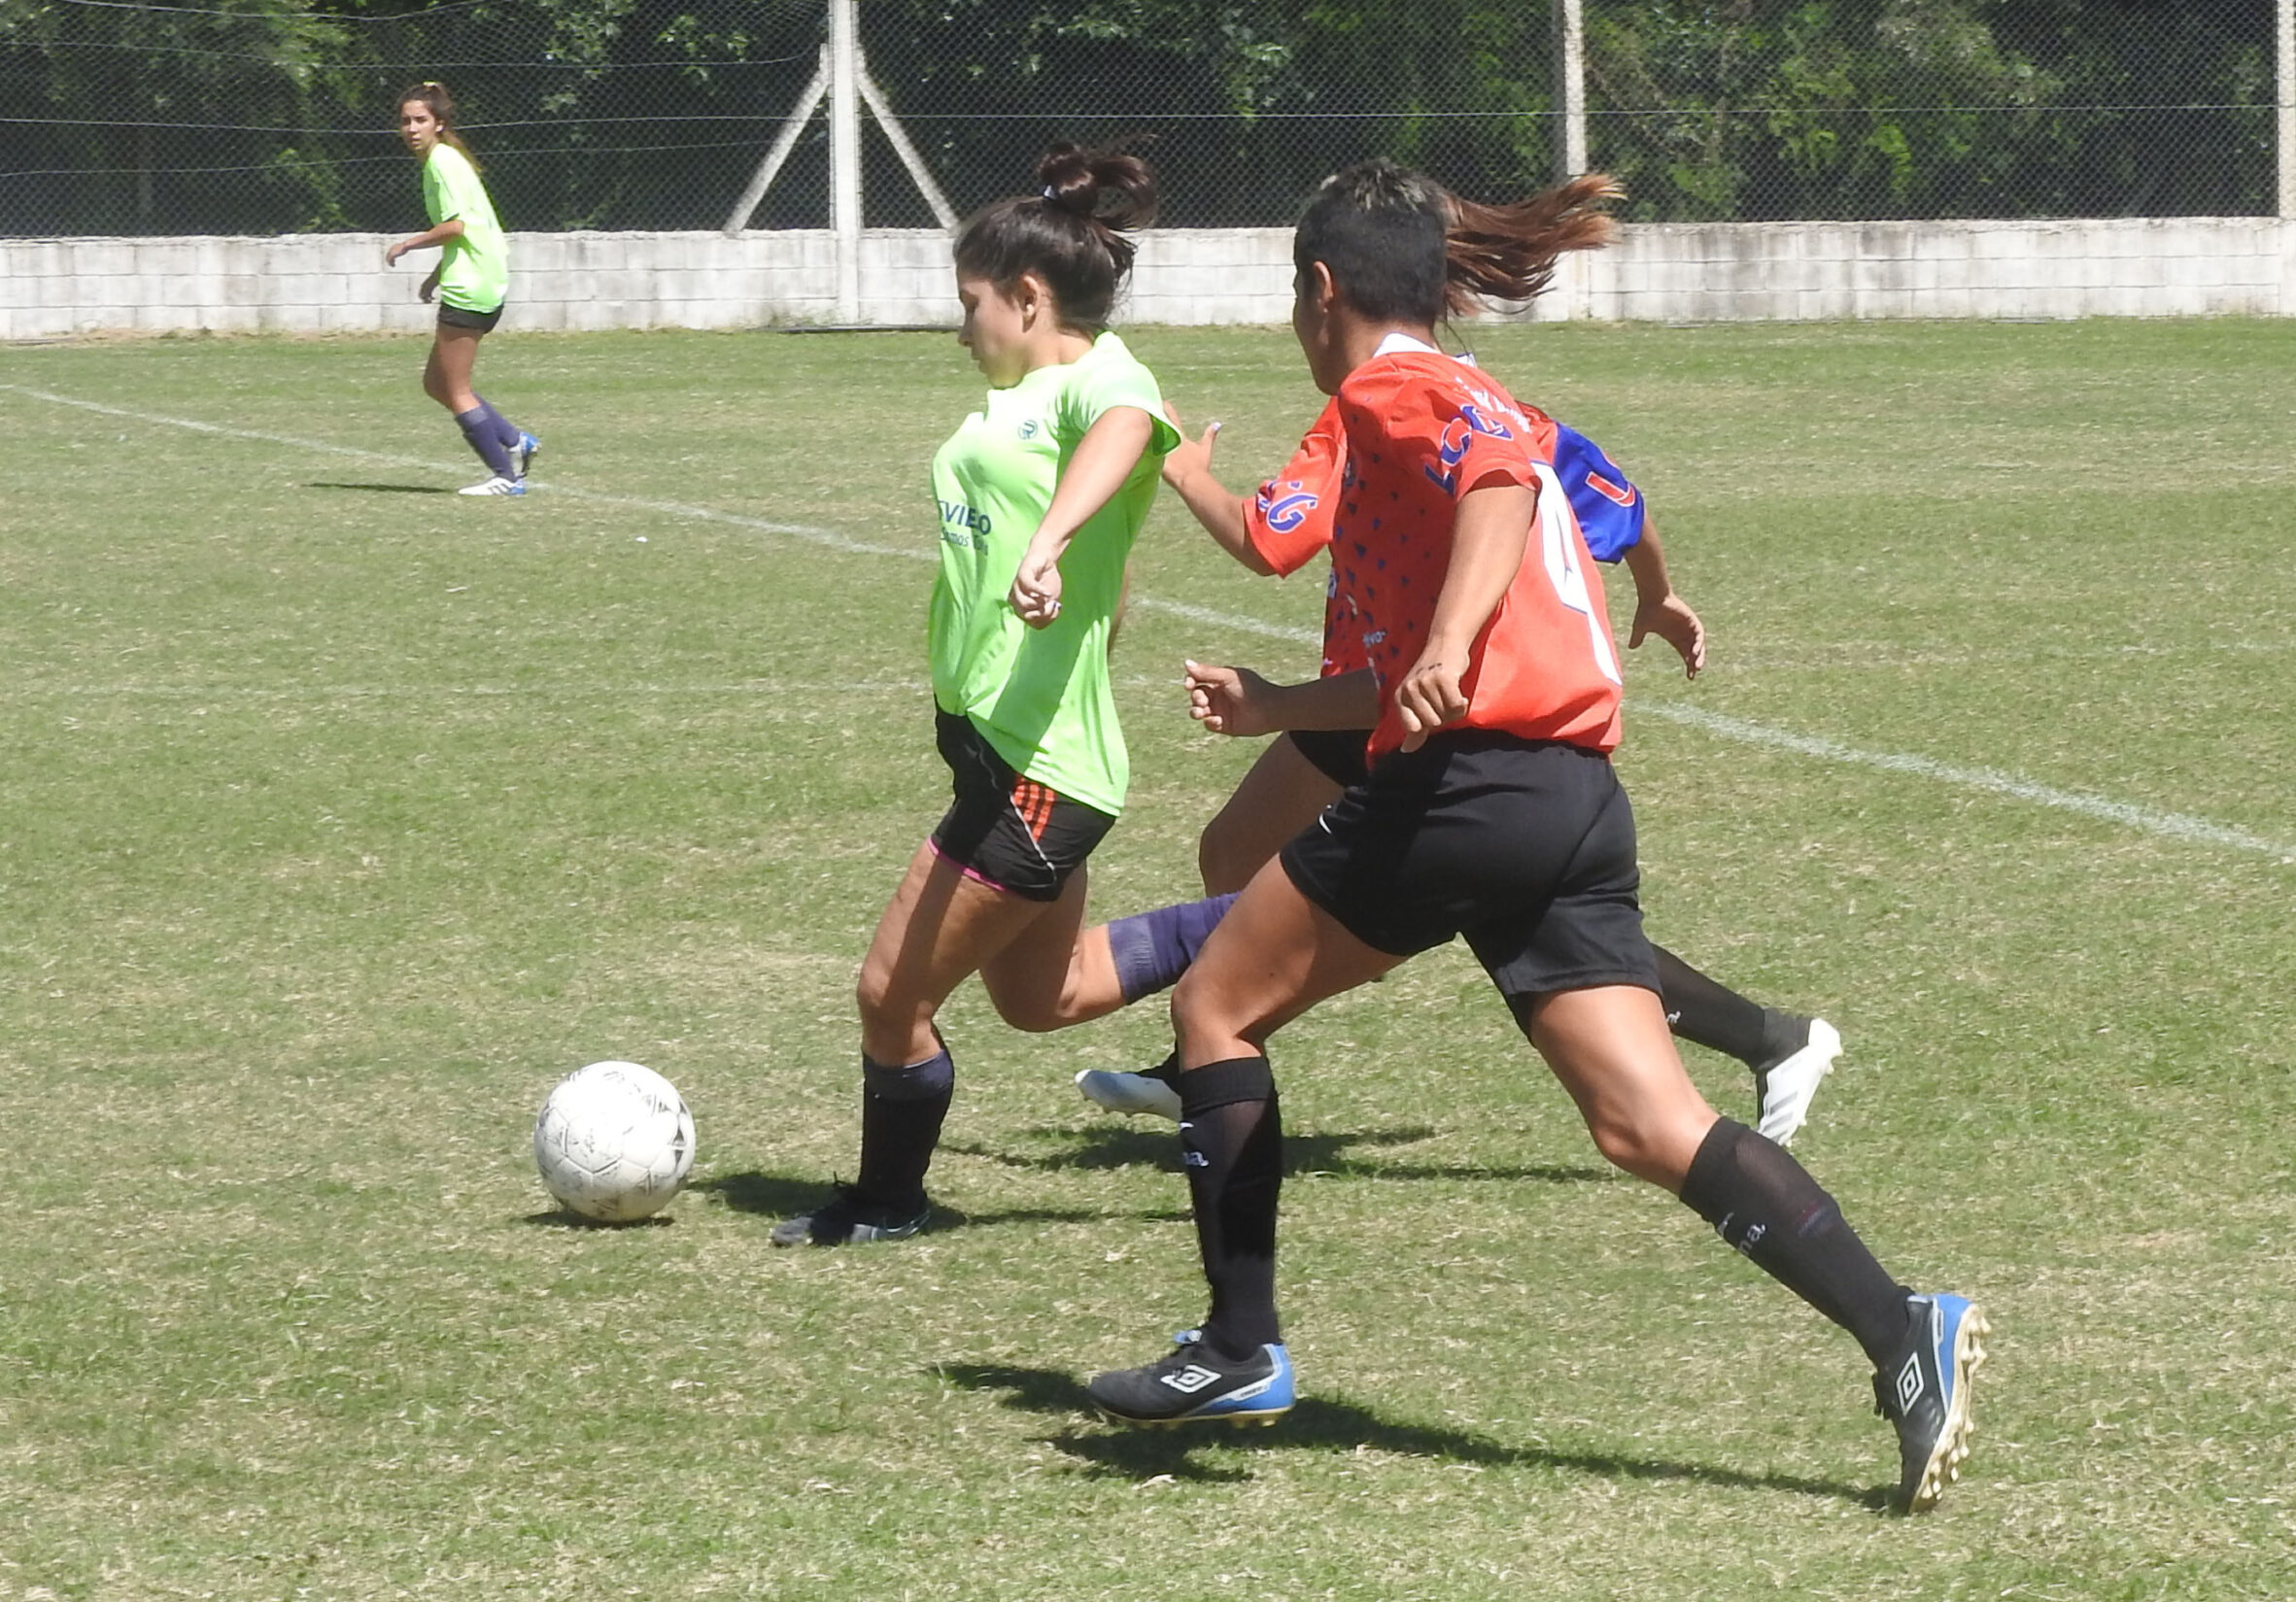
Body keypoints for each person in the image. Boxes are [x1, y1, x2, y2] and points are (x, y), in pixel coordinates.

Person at [1082, 160, 1987, 1517]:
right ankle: (1900, 1326)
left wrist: (1442, 643)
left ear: (1321, 292)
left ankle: (1235, 1346)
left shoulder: (1399, 387)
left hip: (1467, 790)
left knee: (1215, 1006)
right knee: (1648, 1121)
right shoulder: (1456, 401)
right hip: (1566, 797)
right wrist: (1293, 700)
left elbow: (1498, 484)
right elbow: (1441, 634)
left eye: (1294, 296)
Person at [1073, 371, 1842, 1145]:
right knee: (1240, 852)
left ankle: (1216, 1059)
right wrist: (1656, 591)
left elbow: (1265, 538)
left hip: (1417, 700)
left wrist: (1180, 468)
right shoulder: (1508, 415)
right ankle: (1207, 1056)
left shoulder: (1376, 410)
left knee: (1496, 914)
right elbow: (1624, 503)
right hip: (1397, 690)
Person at [768, 144, 1234, 1249]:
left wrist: (1055, 543)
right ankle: (1290, 911)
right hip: (995, 750)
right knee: (1046, 993)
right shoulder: (1014, 397)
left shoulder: (1102, 378)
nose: (960, 323)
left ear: (1028, 298)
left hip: (1040, 770)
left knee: (890, 994)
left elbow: (1124, 432)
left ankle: (888, 1202)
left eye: (969, 301)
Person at [385, 81, 538, 497]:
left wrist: (407, 244)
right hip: (480, 277)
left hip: (472, 286)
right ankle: (514, 440)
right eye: (405, 121)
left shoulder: (441, 163)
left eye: (420, 120)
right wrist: (437, 274)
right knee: (436, 383)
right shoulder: (449, 159)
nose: (411, 128)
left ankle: (505, 476)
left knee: (455, 389)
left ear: (439, 123)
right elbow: (470, 230)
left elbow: (456, 225)